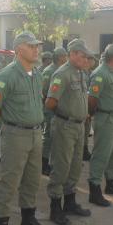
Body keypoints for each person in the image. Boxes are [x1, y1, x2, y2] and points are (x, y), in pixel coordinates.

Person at [0, 31, 53, 225]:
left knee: (32, 180)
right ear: (19, 49)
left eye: (37, 46)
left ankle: (28, 220)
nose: (37, 49)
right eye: (32, 46)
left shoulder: (36, 73)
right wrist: (13, 120)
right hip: (15, 134)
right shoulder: (6, 75)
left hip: (35, 133)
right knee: (10, 182)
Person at [45, 39, 93, 225]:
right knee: (61, 166)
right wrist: (66, 115)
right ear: (72, 54)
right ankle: (55, 207)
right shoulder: (62, 74)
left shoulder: (80, 73)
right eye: (82, 56)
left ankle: (70, 202)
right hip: (65, 126)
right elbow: (50, 102)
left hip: (79, 126)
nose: (85, 60)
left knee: (75, 165)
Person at [87, 44, 113, 207]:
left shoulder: (111, 73)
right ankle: (95, 188)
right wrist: (91, 115)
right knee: (102, 154)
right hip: (105, 119)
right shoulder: (100, 74)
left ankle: (111, 183)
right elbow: (92, 98)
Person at [41, 47, 68, 175]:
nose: (66, 58)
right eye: (64, 56)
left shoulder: (61, 70)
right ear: (59, 57)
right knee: (48, 136)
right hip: (50, 108)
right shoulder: (49, 71)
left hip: (59, 109)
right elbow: (44, 91)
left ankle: (52, 162)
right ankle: (44, 162)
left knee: (56, 137)